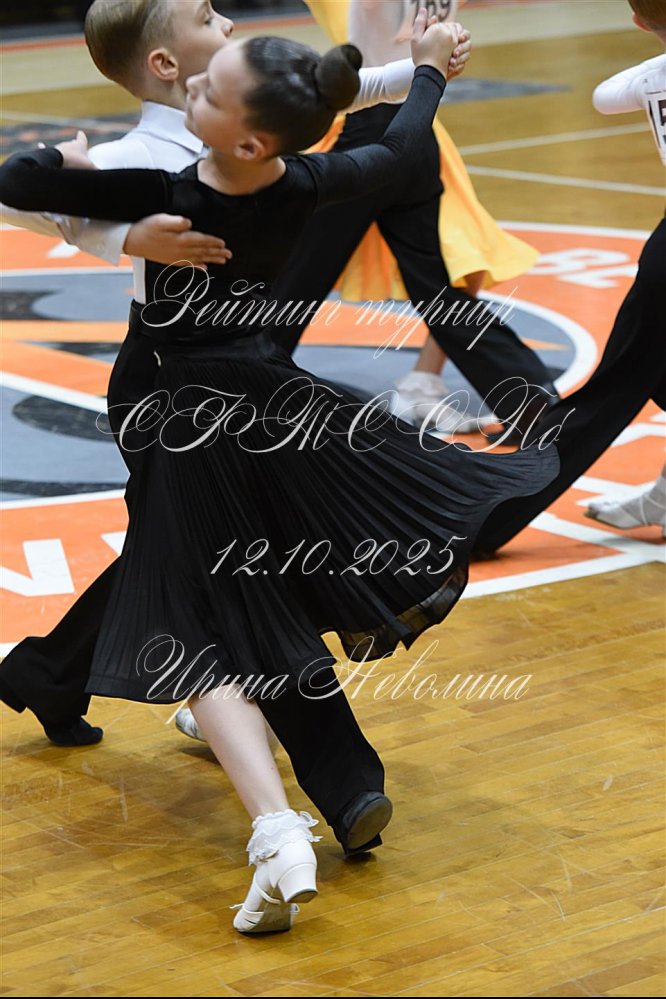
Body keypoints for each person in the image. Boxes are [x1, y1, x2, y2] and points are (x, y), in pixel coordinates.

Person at [0, 13, 559, 933]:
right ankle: (332, 780)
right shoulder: (264, 162)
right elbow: (384, 134)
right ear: (168, 63)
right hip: (214, 388)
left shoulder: (191, 160)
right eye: (205, 19)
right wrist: (424, 74)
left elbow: (26, 179)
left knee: (201, 582)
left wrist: (98, 199)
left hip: (205, 393)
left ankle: (80, 688)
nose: (226, 23)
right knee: (209, 573)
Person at [270, 0, 560, 441]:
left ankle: (237, 393)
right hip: (418, 126)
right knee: (438, 289)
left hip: (367, 128)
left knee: (293, 277)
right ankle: (532, 405)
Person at [472, 0, 666, 555]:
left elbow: (605, 96)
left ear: (638, 22)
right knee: (624, 388)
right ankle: (485, 522)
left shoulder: (651, 78)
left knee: (611, 394)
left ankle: (482, 522)